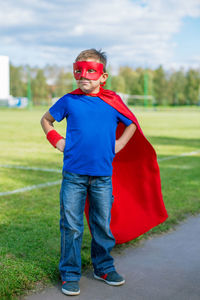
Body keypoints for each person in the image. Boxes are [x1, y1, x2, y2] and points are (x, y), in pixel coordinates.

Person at [41, 49, 168, 296]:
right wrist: (57, 140)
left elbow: (131, 122)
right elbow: (45, 120)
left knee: (101, 224)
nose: (83, 76)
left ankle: (104, 267)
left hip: (102, 178)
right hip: (73, 176)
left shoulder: (113, 102)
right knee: (71, 225)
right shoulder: (69, 100)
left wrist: (120, 145)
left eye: (90, 71)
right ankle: (69, 272)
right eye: (78, 71)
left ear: (103, 76)